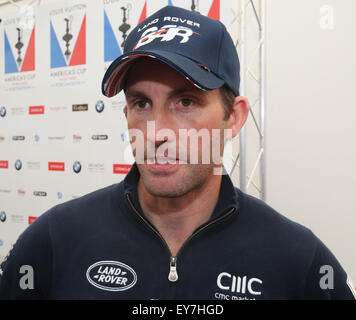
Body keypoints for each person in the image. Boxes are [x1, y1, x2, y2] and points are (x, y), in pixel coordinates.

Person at [0, 5, 355, 300]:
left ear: (233, 118)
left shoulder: (299, 260)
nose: (157, 132)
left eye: (185, 101)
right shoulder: (54, 240)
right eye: (141, 103)